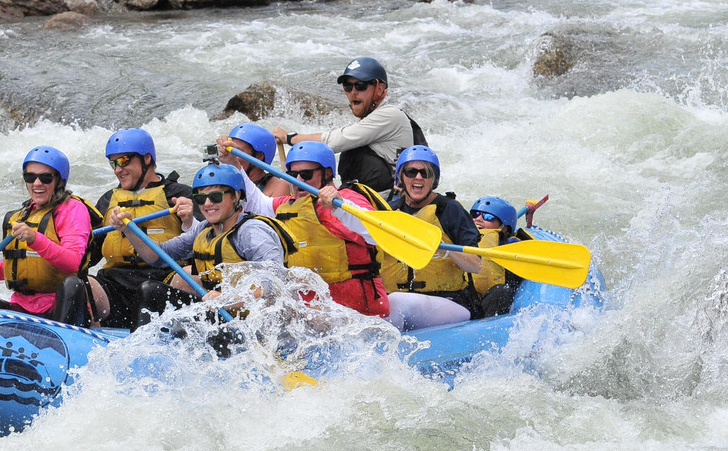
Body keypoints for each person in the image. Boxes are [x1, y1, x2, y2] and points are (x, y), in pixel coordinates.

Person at [222, 137, 390, 318]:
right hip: (312, 315)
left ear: (326, 174)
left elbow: (378, 233)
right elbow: (257, 203)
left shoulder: (347, 200)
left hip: (360, 314)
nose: (298, 180)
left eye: (306, 175)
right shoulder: (290, 205)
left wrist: (339, 206)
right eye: (292, 176)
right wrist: (234, 165)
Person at [108, 163, 291, 323]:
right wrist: (129, 230)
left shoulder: (252, 232)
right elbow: (158, 256)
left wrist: (229, 299)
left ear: (236, 196)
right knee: (152, 291)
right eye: (201, 198)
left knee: (151, 292)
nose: (207, 204)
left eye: (216, 197)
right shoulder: (204, 229)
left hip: (251, 323)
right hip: (221, 313)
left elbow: (274, 283)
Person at [0, 146, 98, 326]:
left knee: (72, 285)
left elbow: (72, 261)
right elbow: (25, 265)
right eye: (30, 177)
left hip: (59, 310)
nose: (36, 183)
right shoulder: (24, 214)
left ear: (59, 180)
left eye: (45, 178)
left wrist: (35, 239)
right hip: (23, 308)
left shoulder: (73, 210)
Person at [272, 57, 426, 194]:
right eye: (348, 86)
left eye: (360, 86)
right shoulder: (369, 120)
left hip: (387, 205)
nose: (353, 92)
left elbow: (334, 141)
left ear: (379, 88)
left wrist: (290, 138)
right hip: (364, 201)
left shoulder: (391, 115)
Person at [90, 128, 194, 329]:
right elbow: (87, 255)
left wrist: (189, 221)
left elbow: (202, 243)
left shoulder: (179, 195)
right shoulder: (107, 201)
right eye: (114, 163)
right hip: (116, 286)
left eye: (124, 161)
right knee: (77, 285)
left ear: (146, 159)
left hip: (160, 285)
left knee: (148, 290)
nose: (117, 170)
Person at [381, 145, 482, 332]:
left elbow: (475, 265)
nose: (418, 177)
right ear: (402, 177)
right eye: (411, 172)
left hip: (451, 302)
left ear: (433, 180)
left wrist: (447, 248)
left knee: (395, 302)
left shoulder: (450, 210)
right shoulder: (389, 211)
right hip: (403, 302)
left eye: (425, 173)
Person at [469, 196, 522, 317]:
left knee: (502, 291)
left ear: (504, 228)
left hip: (492, 297)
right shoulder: (460, 237)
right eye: (475, 214)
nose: (478, 219)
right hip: (467, 297)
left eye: (488, 217)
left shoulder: (510, 243)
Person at [226, 122, 290, 197]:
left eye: (238, 152)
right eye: (230, 151)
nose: (232, 157)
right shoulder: (225, 181)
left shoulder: (279, 186)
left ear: (259, 156)